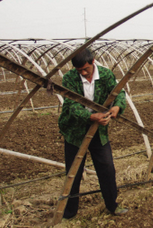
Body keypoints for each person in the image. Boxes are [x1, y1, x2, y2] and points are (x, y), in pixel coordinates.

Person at [58, 48, 128, 219]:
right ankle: (69, 212)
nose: (83, 72)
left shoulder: (105, 75)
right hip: (75, 131)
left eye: (85, 69)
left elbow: (119, 93)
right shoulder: (69, 78)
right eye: (79, 70)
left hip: (99, 131)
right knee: (73, 171)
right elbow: (71, 106)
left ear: (93, 62)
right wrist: (90, 116)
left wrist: (116, 108)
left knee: (107, 168)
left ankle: (112, 205)